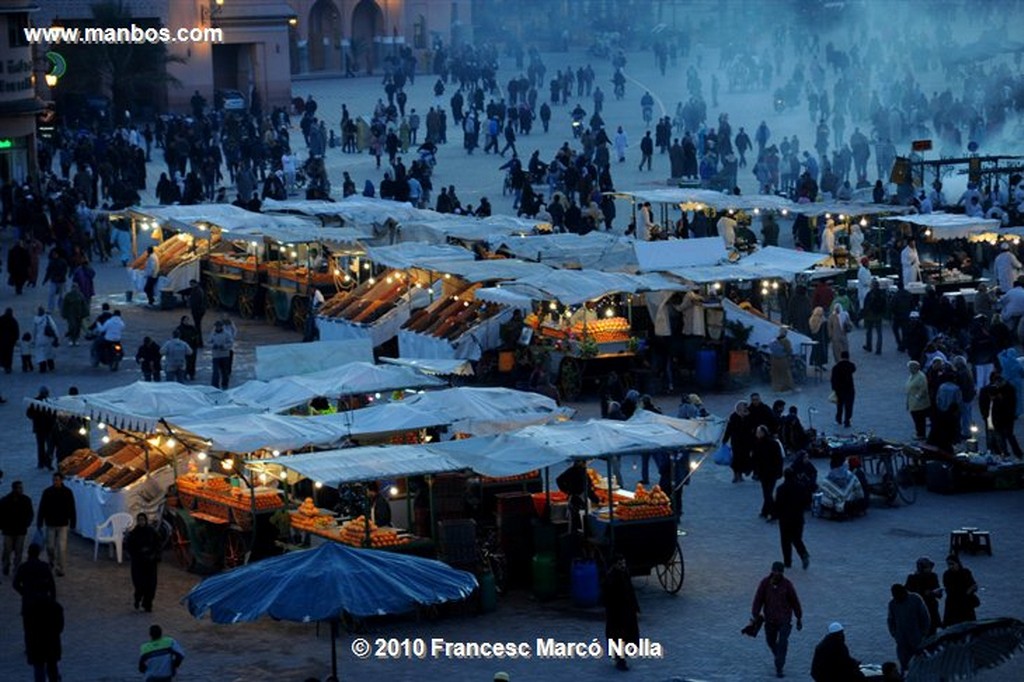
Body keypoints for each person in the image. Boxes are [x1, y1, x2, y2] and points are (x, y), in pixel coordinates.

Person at [751, 561, 803, 678]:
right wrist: (755, 614)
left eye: (779, 571)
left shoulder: (787, 585)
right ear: (772, 570)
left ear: (782, 572)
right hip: (770, 619)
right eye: (775, 571)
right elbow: (758, 599)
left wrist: (799, 617)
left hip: (784, 619)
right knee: (770, 641)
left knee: (782, 643)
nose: (777, 573)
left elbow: (795, 601)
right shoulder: (765, 583)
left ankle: (779, 667)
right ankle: (778, 655)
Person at [604, 554, 640, 671]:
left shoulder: (624, 574)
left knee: (624, 636)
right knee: (619, 636)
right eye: (620, 564)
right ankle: (620, 659)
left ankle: (620, 658)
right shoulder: (613, 577)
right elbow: (610, 597)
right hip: (617, 613)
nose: (623, 566)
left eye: (623, 563)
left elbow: (630, 591)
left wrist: (635, 606)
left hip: (625, 611)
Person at [36, 473, 76, 577]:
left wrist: (73, 521)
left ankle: (60, 568)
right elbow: (42, 507)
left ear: (61, 480)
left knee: (62, 548)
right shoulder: (47, 492)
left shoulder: (67, 492)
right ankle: (51, 561)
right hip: (50, 523)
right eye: (54, 480)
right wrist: (40, 521)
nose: (55, 482)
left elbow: (72, 507)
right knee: (50, 547)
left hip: (62, 523)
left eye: (57, 480)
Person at [978, 370, 1023, 459]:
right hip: (997, 416)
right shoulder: (1005, 389)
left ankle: (1005, 452)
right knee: (998, 436)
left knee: (1004, 435)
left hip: (1004, 416)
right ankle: (1001, 452)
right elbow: (983, 404)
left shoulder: (1007, 389)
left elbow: (1011, 404)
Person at [887, 583, 931, 673]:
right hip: (902, 639)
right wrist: (894, 634)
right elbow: (890, 620)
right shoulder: (893, 604)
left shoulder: (915, 599)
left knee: (919, 661)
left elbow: (925, 617)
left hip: (916, 638)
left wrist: (923, 633)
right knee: (904, 663)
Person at [774, 469, 810, 570]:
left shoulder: (781, 489)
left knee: (785, 540)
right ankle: (803, 553)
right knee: (797, 538)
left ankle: (787, 561)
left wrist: (775, 515)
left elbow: (778, 504)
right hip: (798, 517)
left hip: (785, 518)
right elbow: (807, 501)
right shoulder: (801, 487)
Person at [125, 513, 162, 612]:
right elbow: (130, 547)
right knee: (139, 584)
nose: (141, 522)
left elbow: (157, 544)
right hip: (139, 564)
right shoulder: (134, 533)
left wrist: (154, 555)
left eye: (143, 520)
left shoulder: (151, 532)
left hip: (150, 563)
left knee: (151, 585)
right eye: (140, 520)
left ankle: (147, 604)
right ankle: (138, 599)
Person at [25, 594, 64, 682]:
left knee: (39, 668)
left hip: (36, 643)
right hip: (52, 642)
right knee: (52, 667)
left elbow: (28, 629)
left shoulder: (30, 609)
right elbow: (60, 627)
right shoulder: (56, 607)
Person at [556, 459, 599, 537]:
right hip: (578, 499)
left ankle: (574, 535)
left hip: (574, 497)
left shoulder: (572, 470)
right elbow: (588, 488)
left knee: (574, 520)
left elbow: (559, 480)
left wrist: (567, 491)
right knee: (580, 520)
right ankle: (579, 538)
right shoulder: (581, 472)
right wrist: (596, 500)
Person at [1, 480, 34, 576]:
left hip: (20, 530)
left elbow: (30, 514)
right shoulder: (5, 500)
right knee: (7, 550)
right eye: (20, 488)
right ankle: (6, 566)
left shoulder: (26, 500)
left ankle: (16, 568)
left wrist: (27, 523)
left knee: (19, 551)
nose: (22, 489)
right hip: (8, 530)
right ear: (14, 489)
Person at [752, 425, 784, 520]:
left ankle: (773, 512)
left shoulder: (764, 444)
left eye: (758, 432)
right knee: (767, 492)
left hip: (768, 472)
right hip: (768, 472)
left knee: (767, 492)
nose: (756, 434)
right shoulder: (770, 443)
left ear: (762, 433)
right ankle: (765, 511)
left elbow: (756, 459)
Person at [905, 556, 942, 636]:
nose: (930, 569)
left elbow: (938, 592)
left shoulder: (933, 576)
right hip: (918, 610)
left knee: (932, 633)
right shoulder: (912, 578)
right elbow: (907, 593)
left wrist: (933, 592)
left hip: (931, 608)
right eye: (927, 567)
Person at [942, 554, 979, 626]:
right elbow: (950, 589)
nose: (950, 566)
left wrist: (971, 589)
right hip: (953, 604)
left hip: (966, 604)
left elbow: (972, 584)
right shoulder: (947, 574)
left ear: (957, 563)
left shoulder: (965, 572)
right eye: (948, 564)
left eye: (952, 564)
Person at [27, 387, 57, 469]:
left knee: (42, 446)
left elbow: (29, 414)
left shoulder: (35, 402)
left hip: (40, 428)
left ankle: (42, 463)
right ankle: (47, 462)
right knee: (49, 447)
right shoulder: (48, 402)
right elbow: (54, 414)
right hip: (46, 428)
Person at [723, 401, 753, 483]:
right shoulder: (733, 417)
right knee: (736, 459)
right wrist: (725, 440)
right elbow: (729, 429)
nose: (745, 408)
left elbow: (752, 429)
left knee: (745, 458)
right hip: (736, 442)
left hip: (747, 442)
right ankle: (736, 475)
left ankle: (741, 474)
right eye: (744, 407)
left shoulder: (749, 417)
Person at [905, 361, 930, 440]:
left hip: (919, 403)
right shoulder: (913, 375)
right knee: (917, 419)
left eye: (910, 368)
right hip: (912, 401)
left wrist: (917, 397)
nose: (909, 369)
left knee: (919, 419)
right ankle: (919, 433)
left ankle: (921, 434)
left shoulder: (921, 376)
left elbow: (923, 389)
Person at [831, 351, 857, 428]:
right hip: (849, 389)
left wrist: (834, 388)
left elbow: (833, 379)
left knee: (839, 405)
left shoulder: (836, 367)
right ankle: (847, 420)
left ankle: (839, 419)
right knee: (849, 406)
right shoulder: (851, 366)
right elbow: (854, 369)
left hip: (839, 389)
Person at [861, 279, 886, 354]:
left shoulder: (869, 294)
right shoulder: (882, 294)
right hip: (878, 315)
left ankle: (869, 346)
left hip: (870, 315)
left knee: (869, 331)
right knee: (879, 333)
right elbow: (885, 304)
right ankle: (878, 349)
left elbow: (866, 305)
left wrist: (864, 314)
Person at [209, 320, 234, 389]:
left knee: (225, 372)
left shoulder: (227, 334)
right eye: (217, 326)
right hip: (216, 355)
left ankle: (225, 385)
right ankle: (214, 386)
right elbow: (208, 343)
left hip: (225, 355)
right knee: (215, 372)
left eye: (219, 326)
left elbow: (231, 343)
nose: (218, 327)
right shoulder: (212, 334)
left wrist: (224, 346)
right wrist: (213, 346)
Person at [769, 328, 794, 392]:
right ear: (786, 333)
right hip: (783, 359)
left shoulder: (774, 340)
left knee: (775, 375)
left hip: (774, 359)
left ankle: (776, 389)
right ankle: (788, 388)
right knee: (786, 375)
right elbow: (789, 350)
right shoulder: (786, 341)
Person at [187, 280, 206, 347]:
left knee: (197, 327)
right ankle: (199, 342)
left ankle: (199, 342)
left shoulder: (197, 291)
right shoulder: (198, 290)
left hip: (197, 311)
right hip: (198, 311)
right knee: (197, 326)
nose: (191, 286)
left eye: (191, 284)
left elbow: (196, 302)